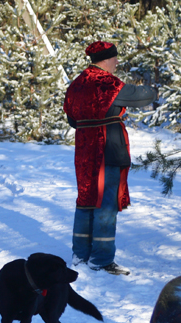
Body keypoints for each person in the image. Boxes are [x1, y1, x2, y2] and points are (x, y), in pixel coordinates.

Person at [63, 40, 157, 276]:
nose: (116, 63)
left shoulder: (76, 84)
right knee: (106, 203)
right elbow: (141, 96)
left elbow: (72, 119)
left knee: (85, 199)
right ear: (106, 59)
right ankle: (102, 259)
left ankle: (80, 255)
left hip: (84, 149)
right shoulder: (106, 82)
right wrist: (154, 89)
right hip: (107, 147)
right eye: (115, 58)